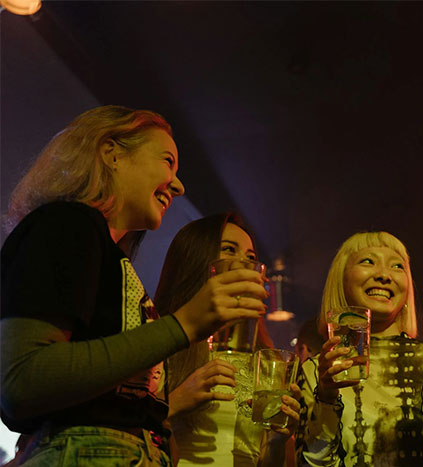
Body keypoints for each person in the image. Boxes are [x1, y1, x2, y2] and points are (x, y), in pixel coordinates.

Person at [0, 106, 267, 466]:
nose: (179, 185)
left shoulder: (113, 259)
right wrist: (184, 324)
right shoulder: (67, 223)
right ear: (112, 153)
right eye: (167, 161)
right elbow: (22, 381)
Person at [296, 231, 423, 466]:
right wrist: (327, 398)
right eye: (368, 261)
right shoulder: (314, 371)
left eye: (397, 266)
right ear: (341, 279)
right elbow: (311, 462)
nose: (384, 275)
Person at [154, 212, 302, 466]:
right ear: (196, 260)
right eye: (229, 250)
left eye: (251, 257)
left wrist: (277, 441)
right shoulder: (161, 344)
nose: (244, 263)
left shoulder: (267, 362)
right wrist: (174, 402)